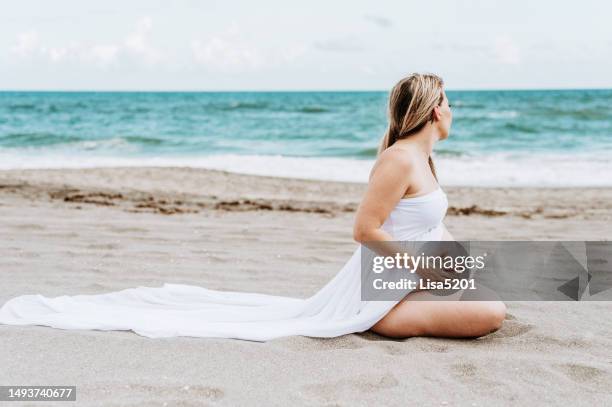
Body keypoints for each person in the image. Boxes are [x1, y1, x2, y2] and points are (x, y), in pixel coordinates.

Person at [0, 73, 505, 341]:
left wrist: (452, 266)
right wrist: (422, 271)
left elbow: (424, 224)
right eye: (451, 102)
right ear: (437, 109)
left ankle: (392, 310)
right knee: (492, 313)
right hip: (386, 281)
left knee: (504, 287)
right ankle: (370, 320)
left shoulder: (422, 157)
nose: (453, 110)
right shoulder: (398, 160)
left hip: (416, 272)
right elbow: (365, 230)